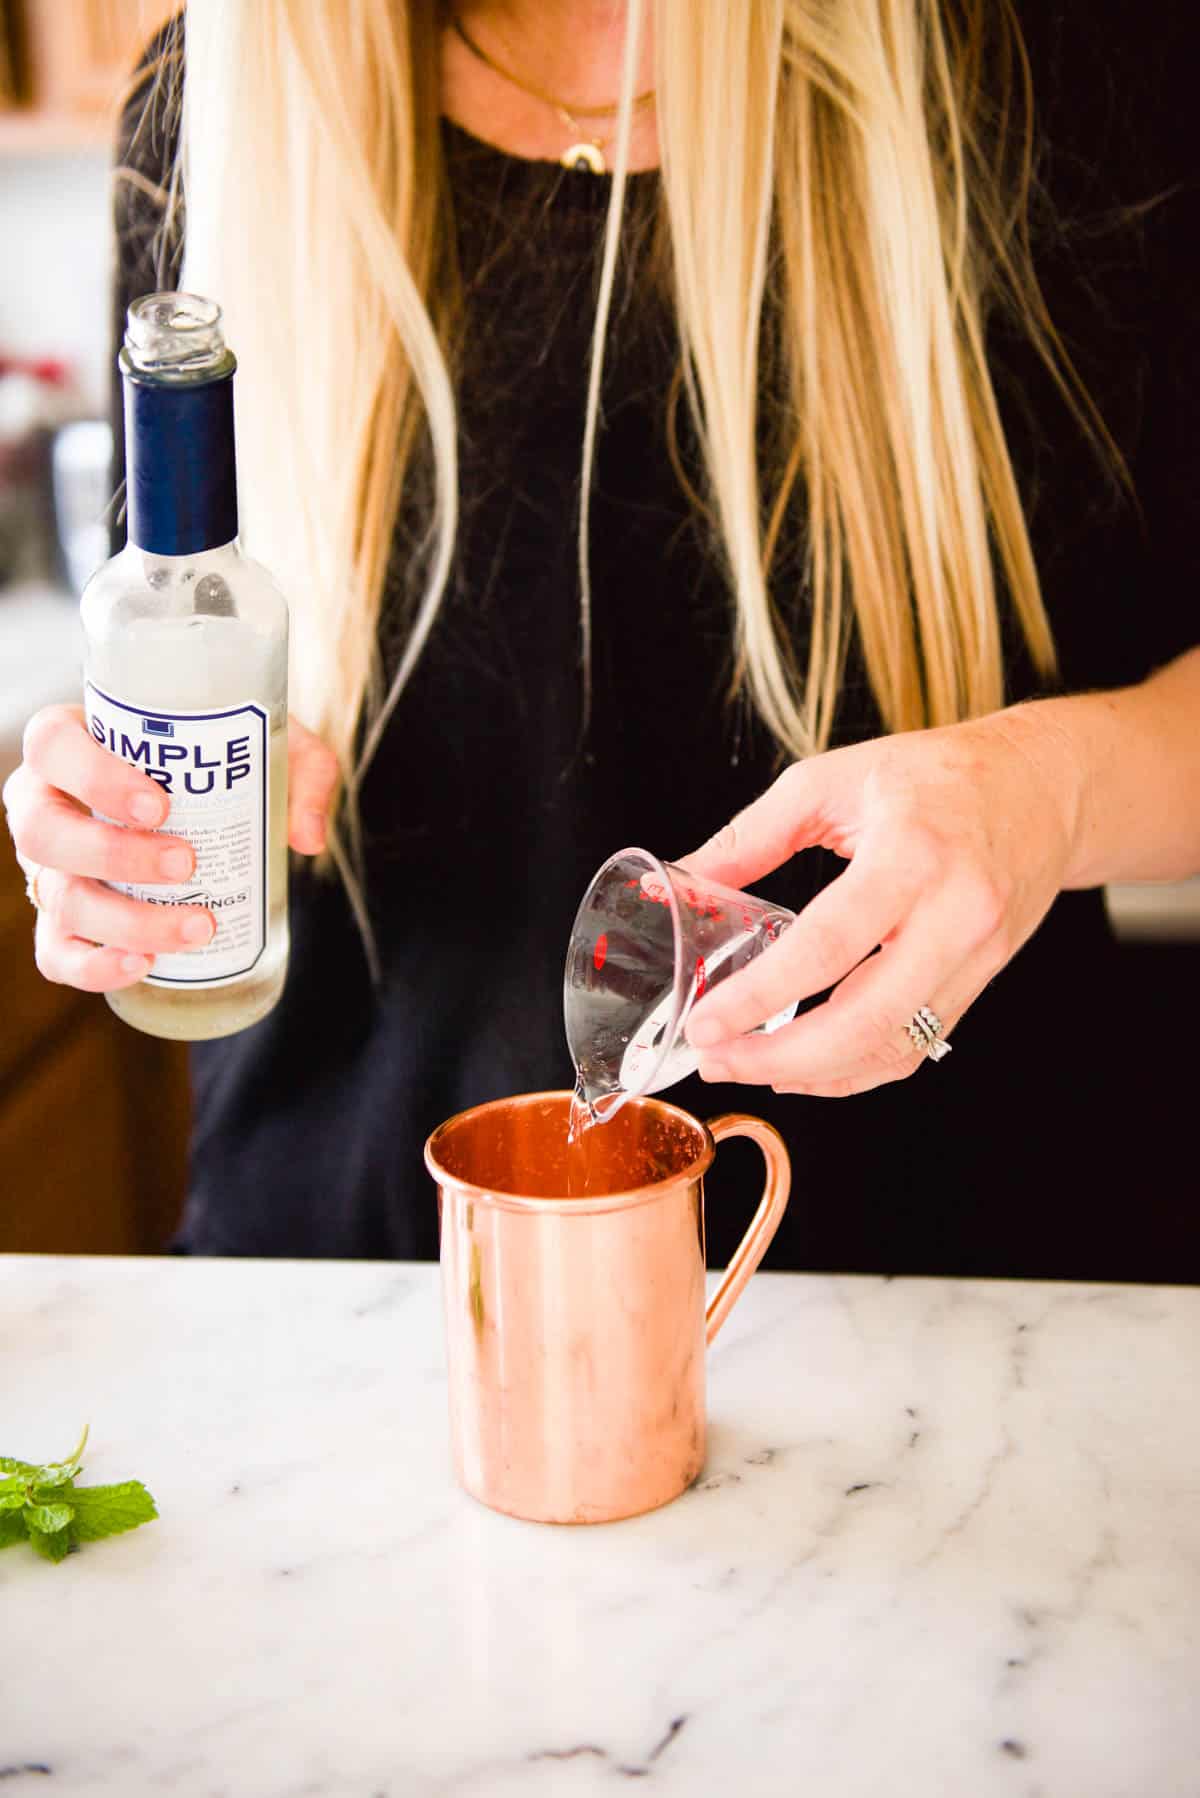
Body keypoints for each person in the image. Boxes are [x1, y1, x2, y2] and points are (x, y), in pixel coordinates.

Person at [3, 2, 1198, 1280]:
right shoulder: (222, 94)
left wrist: (1050, 791)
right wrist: (117, 826)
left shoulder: (1061, 60)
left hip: (964, 1310)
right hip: (342, 1305)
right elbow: (190, 664)